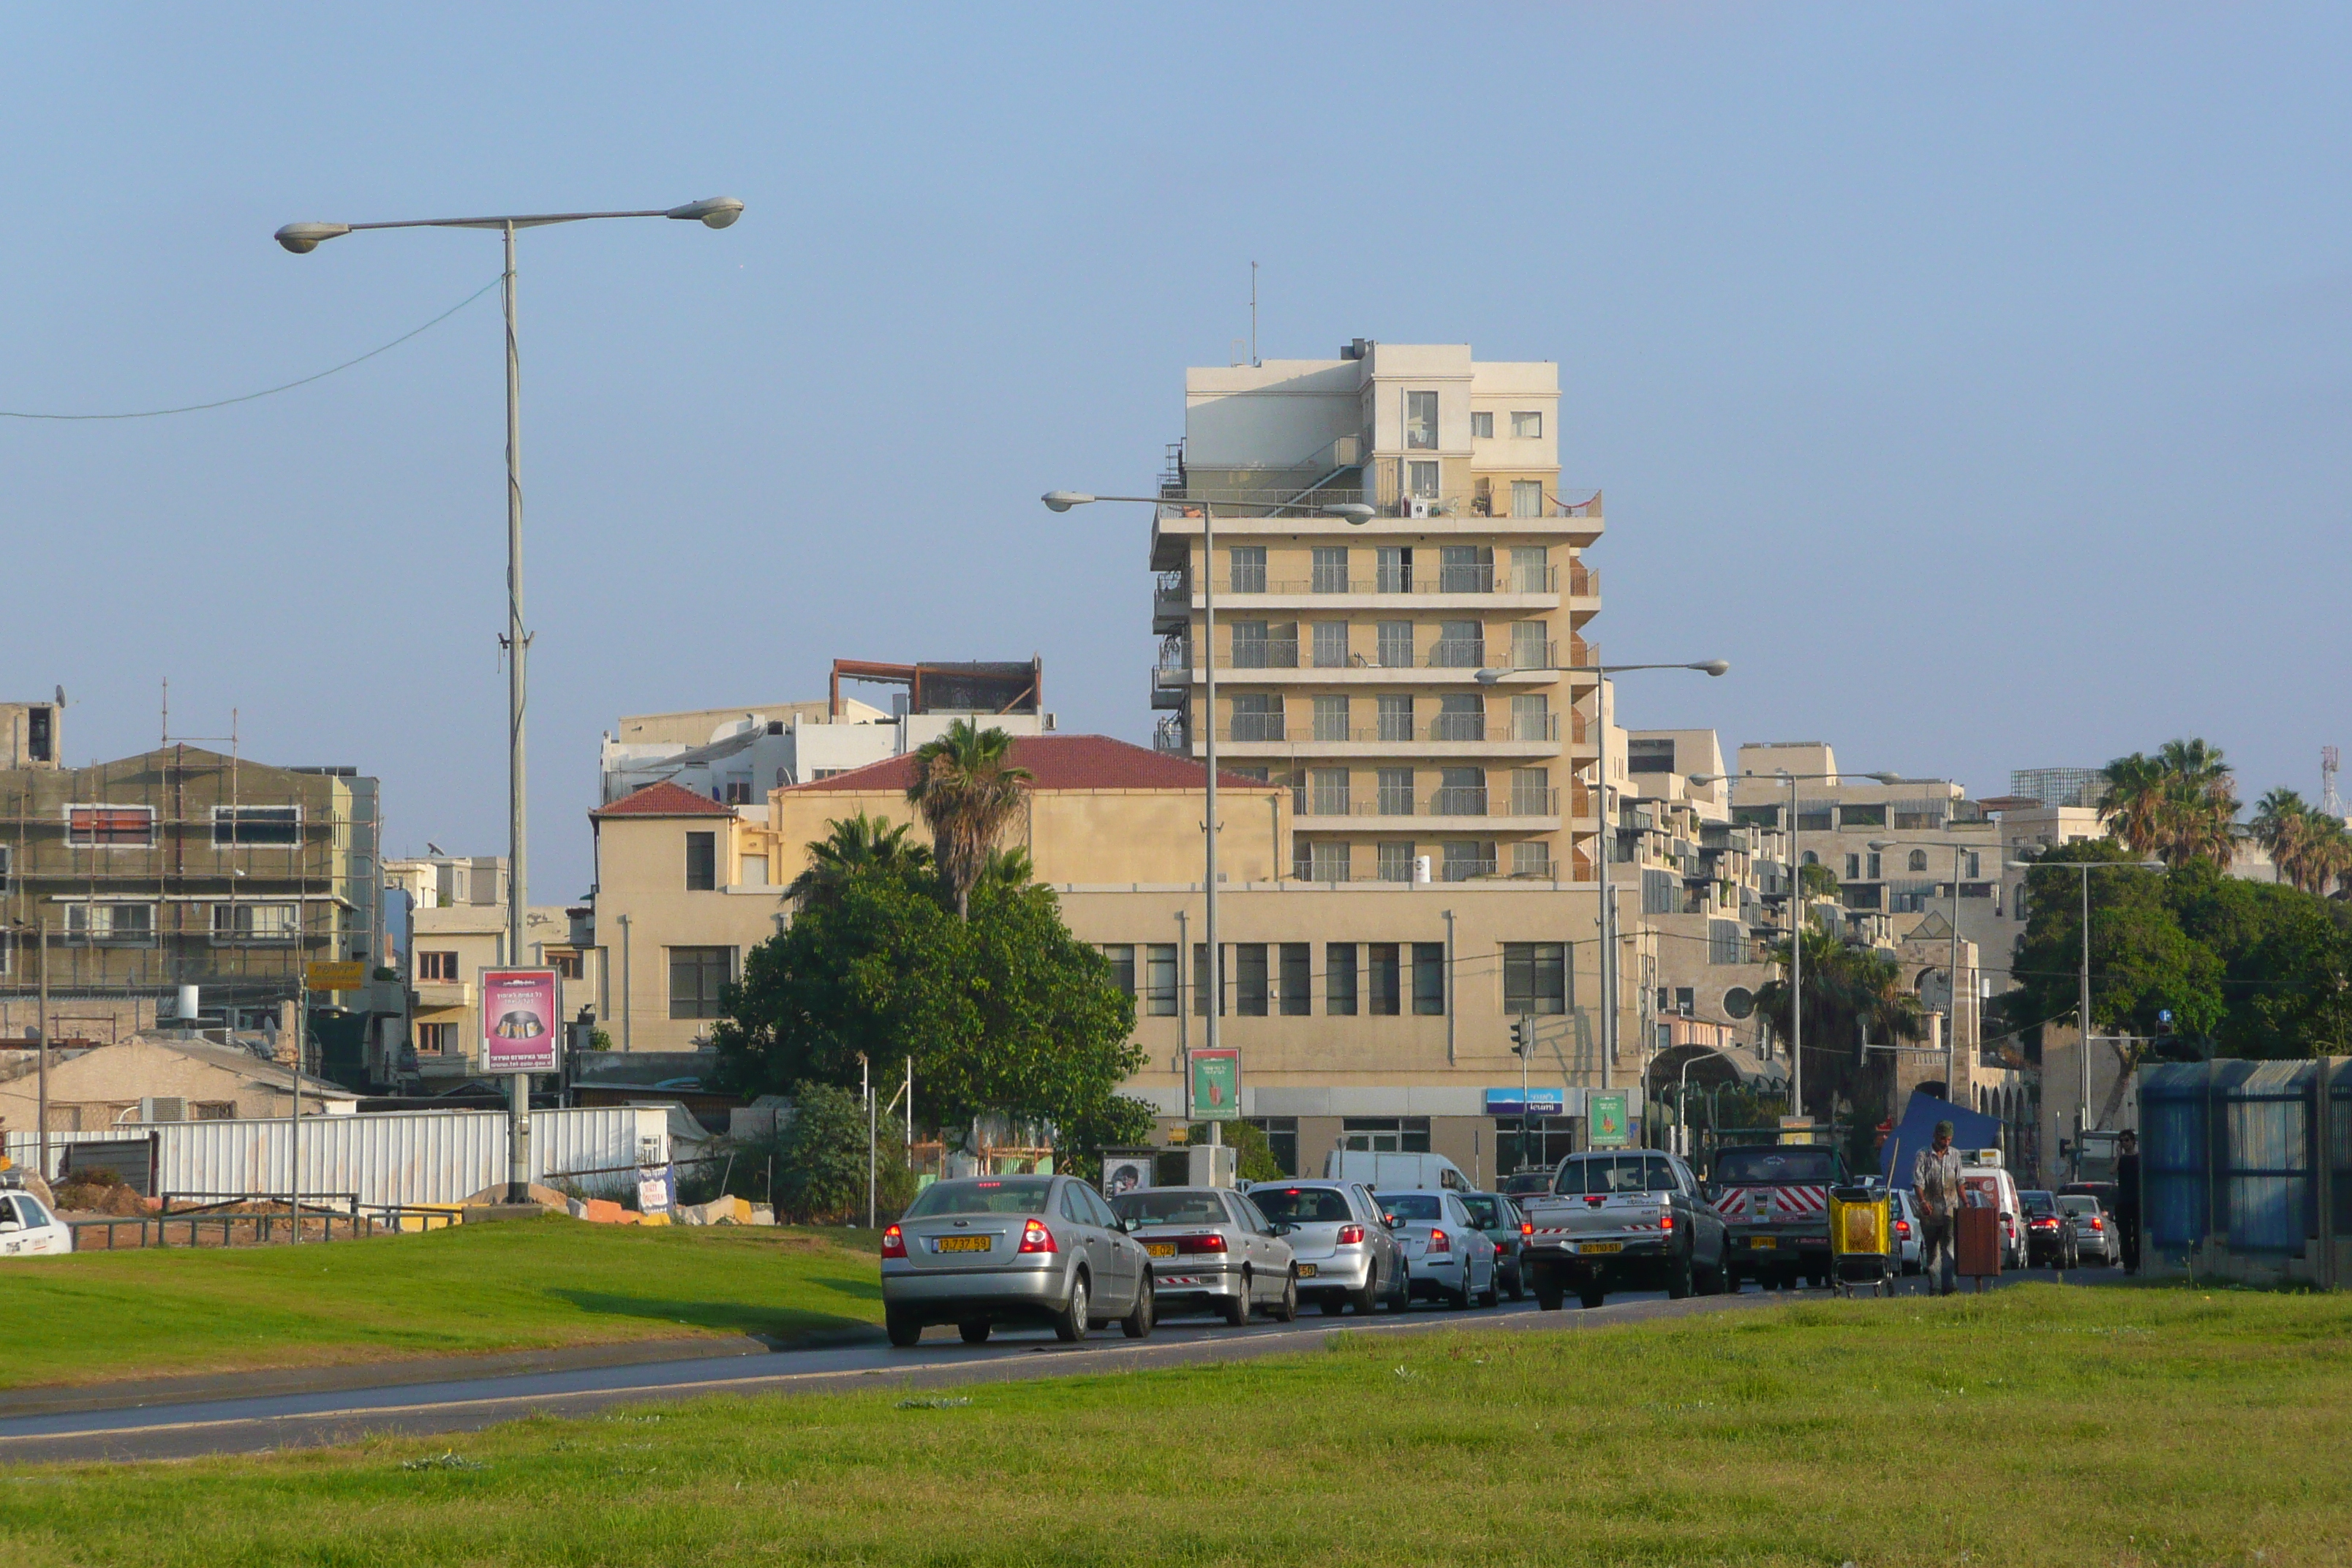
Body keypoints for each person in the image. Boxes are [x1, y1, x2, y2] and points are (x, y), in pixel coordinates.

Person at [1912, 1120, 1966, 1296]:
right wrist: (1923, 1202)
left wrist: (1965, 1202)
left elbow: (1960, 1182)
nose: (1946, 1143)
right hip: (1930, 1212)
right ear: (1935, 1137)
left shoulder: (1956, 1156)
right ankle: (1935, 1288)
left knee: (1949, 1249)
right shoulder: (1923, 1156)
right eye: (1943, 1139)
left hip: (1949, 1210)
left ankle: (1950, 1286)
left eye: (1949, 1139)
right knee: (1933, 1251)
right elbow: (1918, 1183)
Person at [2114, 1129, 2142, 1275]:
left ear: (2133, 1141)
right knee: (2124, 1234)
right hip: (2123, 1201)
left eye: (2127, 1140)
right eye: (2122, 1141)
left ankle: (2137, 1260)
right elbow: (2112, 1170)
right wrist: (2118, 1154)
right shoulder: (2122, 1159)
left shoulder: (2139, 1158)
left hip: (2137, 1200)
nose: (2125, 1143)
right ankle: (2128, 1264)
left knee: (2137, 1233)